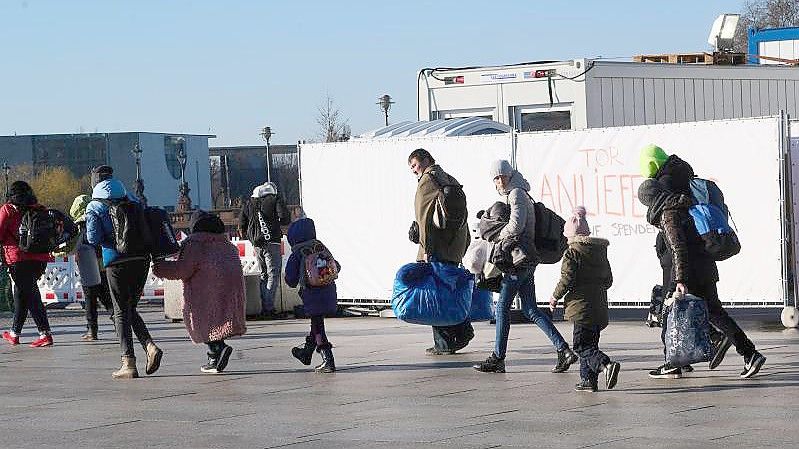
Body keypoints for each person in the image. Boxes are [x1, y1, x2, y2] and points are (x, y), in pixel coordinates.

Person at [638, 146, 766, 379]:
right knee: (715, 312)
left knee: (671, 313)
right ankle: (750, 354)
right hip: (705, 264)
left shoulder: (667, 211)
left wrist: (680, 279)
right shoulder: (684, 197)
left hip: (690, 271)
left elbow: (678, 247)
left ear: (650, 200)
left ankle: (675, 361)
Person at [473, 160, 577, 374]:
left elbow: (517, 226)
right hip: (526, 258)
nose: (499, 180)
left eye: (502, 176)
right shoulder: (518, 193)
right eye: (496, 178)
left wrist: (497, 235)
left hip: (519, 259)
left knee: (502, 307)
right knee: (529, 309)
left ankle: (498, 358)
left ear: (510, 175)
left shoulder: (517, 194)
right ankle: (564, 351)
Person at [86, 174, 163, 379]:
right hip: (141, 259)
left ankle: (128, 362)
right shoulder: (132, 200)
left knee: (120, 311)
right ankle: (149, 346)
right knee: (129, 308)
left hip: (116, 261)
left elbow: (93, 239)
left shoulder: (94, 206)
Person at [153, 210, 246, 374]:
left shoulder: (195, 244)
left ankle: (219, 349)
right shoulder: (227, 245)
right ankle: (214, 357)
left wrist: (159, 268)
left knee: (204, 321)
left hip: (205, 290)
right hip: (231, 289)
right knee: (219, 321)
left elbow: (182, 270)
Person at [407, 148, 474, 356]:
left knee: (434, 295)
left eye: (415, 165)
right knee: (449, 292)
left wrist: (426, 250)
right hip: (453, 246)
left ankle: (444, 343)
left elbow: (424, 218)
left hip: (436, 248)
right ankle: (463, 331)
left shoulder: (428, 181)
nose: (413, 171)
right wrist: (463, 245)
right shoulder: (449, 178)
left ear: (426, 161)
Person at [548, 207, 620, 392]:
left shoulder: (572, 253)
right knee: (591, 344)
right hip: (599, 307)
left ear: (570, 236)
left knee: (581, 346)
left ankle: (606, 365)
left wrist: (555, 296)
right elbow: (609, 280)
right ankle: (588, 380)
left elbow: (567, 279)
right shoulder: (599, 252)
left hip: (581, 308)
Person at [0, 181, 54, 347]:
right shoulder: (39, 208)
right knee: (22, 294)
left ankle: (45, 334)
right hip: (39, 259)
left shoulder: (7, 210)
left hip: (18, 259)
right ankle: (14, 333)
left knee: (30, 295)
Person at [285, 215, 340, 373]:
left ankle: (328, 360)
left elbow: (290, 279)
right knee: (316, 324)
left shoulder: (298, 252)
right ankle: (306, 353)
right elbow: (337, 267)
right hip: (329, 292)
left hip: (311, 295)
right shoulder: (321, 247)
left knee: (318, 329)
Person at [65, 194, 114, 340]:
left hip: (89, 266)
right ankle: (119, 324)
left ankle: (92, 330)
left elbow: (76, 246)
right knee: (107, 298)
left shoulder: (80, 226)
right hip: (104, 264)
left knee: (90, 299)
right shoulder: (99, 219)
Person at [239, 182, 290, 319]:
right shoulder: (275, 199)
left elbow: (241, 224)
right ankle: (269, 308)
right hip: (271, 240)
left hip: (256, 243)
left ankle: (264, 307)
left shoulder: (249, 203)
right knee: (273, 273)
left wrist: (251, 238)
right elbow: (285, 218)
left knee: (263, 274)